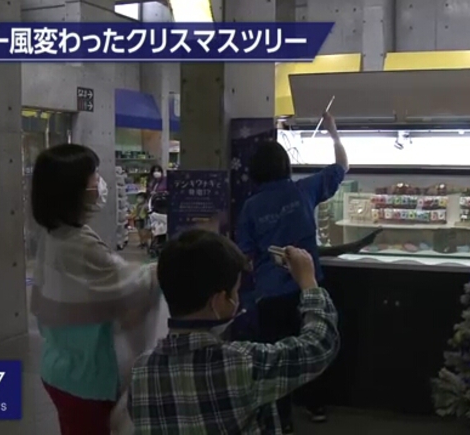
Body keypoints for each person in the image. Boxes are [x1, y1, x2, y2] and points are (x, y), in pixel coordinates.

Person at [128, 229, 339, 435]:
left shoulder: (140, 372)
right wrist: (309, 283)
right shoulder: (241, 364)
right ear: (219, 301)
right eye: (235, 291)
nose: (238, 300)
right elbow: (318, 346)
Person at [29, 144, 164, 435]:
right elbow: (128, 286)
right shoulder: (79, 244)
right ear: (73, 188)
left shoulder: (55, 235)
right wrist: (162, 270)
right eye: (92, 176)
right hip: (87, 379)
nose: (98, 184)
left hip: (59, 366)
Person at [236, 113, 347, 430]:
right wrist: (333, 133)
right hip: (308, 287)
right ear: (286, 165)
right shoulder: (304, 190)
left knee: (275, 358)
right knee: (314, 344)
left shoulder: (250, 207)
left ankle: (282, 420)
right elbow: (342, 167)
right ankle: (316, 406)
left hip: (270, 296)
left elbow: (245, 256)